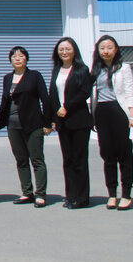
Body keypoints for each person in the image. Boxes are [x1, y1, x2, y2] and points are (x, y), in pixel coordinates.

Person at [0, 46, 52, 208]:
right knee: (21, 160)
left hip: (33, 124)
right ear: (10, 60)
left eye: (21, 56)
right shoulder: (7, 78)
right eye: (14, 56)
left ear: (26, 59)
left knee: (37, 159)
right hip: (13, 125)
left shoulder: (34, 76)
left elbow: (45, 99)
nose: (17, 58)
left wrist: (48, 123)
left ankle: (40, 194)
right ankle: (27, 192)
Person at [90, 35, 133, 210]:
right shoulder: (96, 70)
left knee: (125, 154)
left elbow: (129, 93)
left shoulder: (124, 68)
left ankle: (126, 194)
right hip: (102, 113)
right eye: (102, 47)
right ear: (98, 51)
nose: (106, 51)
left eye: (109, 47)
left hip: (119, 112)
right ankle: (112, 194)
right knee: (107, 155)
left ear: (116, 49)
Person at [49, 36, 93, 209]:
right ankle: (71, 195)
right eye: (61, 49)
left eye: (67, 49)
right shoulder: (57, 70)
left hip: (79, 120)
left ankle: (82, 198)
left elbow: (85, 92)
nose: (64, 52)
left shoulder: (82, 69)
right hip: (62, 122)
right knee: (67, 159)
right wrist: (54, 117)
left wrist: (67, 106)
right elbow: (53, 94)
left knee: (79, 159)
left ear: (74, 50)